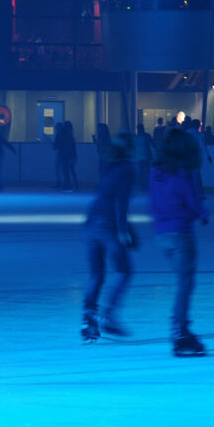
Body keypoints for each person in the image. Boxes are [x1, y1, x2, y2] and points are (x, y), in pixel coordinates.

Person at [149, 128, 209, 357]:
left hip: (162, 235)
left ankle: (180, 326)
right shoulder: (183, 173)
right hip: (181, 234)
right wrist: (203, 214)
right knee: (185, 285)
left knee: (182, 282)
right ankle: (179, 330)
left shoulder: (155, 172)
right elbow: (192, 202)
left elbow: (154, 201)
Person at [80, 132, 137, 343]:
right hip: (107, 226)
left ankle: (87, 319)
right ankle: (108, 314)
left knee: (97, 274)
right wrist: (123, 231)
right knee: (124, 270)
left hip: (90, 223)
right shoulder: (128, 170)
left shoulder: (108, 168)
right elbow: (120, 202)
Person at [55, 121, 79, 191]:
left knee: (66, 171)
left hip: (65, 155)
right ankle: (73, 185)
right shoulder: (70, 136)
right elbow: (72, 147)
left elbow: (59, 146)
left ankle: (68, 185)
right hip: (69, 155)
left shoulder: (63, 135)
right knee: (70, 171)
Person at [135, 123, 155, 192]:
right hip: (145, 156)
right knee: (146, 172)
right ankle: (145, 186)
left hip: (140, 157)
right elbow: (153, 144)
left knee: (142, 172)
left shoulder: (136, 137)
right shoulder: (146, 136)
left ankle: (143, 186)